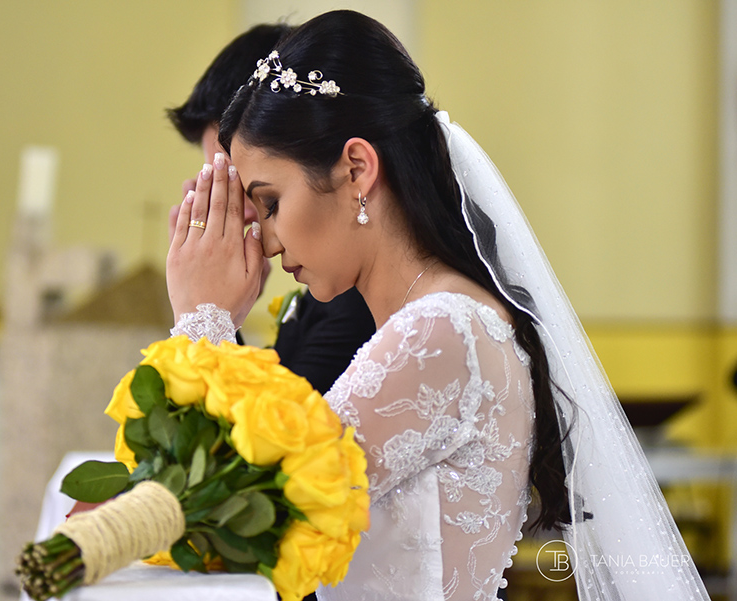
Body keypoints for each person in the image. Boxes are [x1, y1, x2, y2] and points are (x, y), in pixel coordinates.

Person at [166, 10, 710, 601]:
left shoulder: (441, 330)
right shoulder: (435, 319)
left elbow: (231, 520)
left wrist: (203, 319)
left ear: (356, 169)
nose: (266, 240)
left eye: (269, 203)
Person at [166, 23, 376, 395]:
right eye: (219, 190)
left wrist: (202, 313)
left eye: (256, 191)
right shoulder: (329, 293)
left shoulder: (360, 309)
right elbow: (263, 425)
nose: (238, 212)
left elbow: (270, 446)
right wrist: (220, 315)